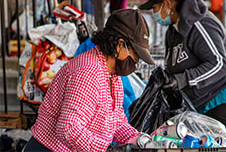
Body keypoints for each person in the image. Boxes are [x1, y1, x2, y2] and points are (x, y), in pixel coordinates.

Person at [24, 9, 155, 151]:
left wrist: (139, 139)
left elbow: (116, 122)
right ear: (120, 45)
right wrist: (107, 149)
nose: (136, 61)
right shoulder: (88, 72)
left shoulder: (112, 75)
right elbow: (68, 128)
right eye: (135, 55)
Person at [139, 0, 226, 144]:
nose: (154, 13)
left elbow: (219, 64)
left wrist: (181, 79)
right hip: (200, 102)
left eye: (155, 8)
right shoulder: (173, 31)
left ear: (167, 4)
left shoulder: (200, 24)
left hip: (225, 97)